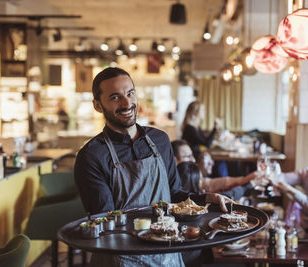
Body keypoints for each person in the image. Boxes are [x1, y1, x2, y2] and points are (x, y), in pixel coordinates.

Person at [74, 67, 232, 267]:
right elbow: (106, 220)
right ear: (98, 105)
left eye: (130, 93)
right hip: (121, 257)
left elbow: (173, 194)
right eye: (115, 97)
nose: (126, 103)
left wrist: (207, 198)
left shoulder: (161, 140)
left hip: (167, 253)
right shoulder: (92, 155)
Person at [171, 140, 254, 199]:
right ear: (175, 161)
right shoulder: (181, 180)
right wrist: (247, 182)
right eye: (188, 156)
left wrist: (245, 180)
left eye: (192, 155)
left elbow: (216, 184)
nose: (193, 160)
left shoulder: (188, 174)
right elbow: (215, 187)